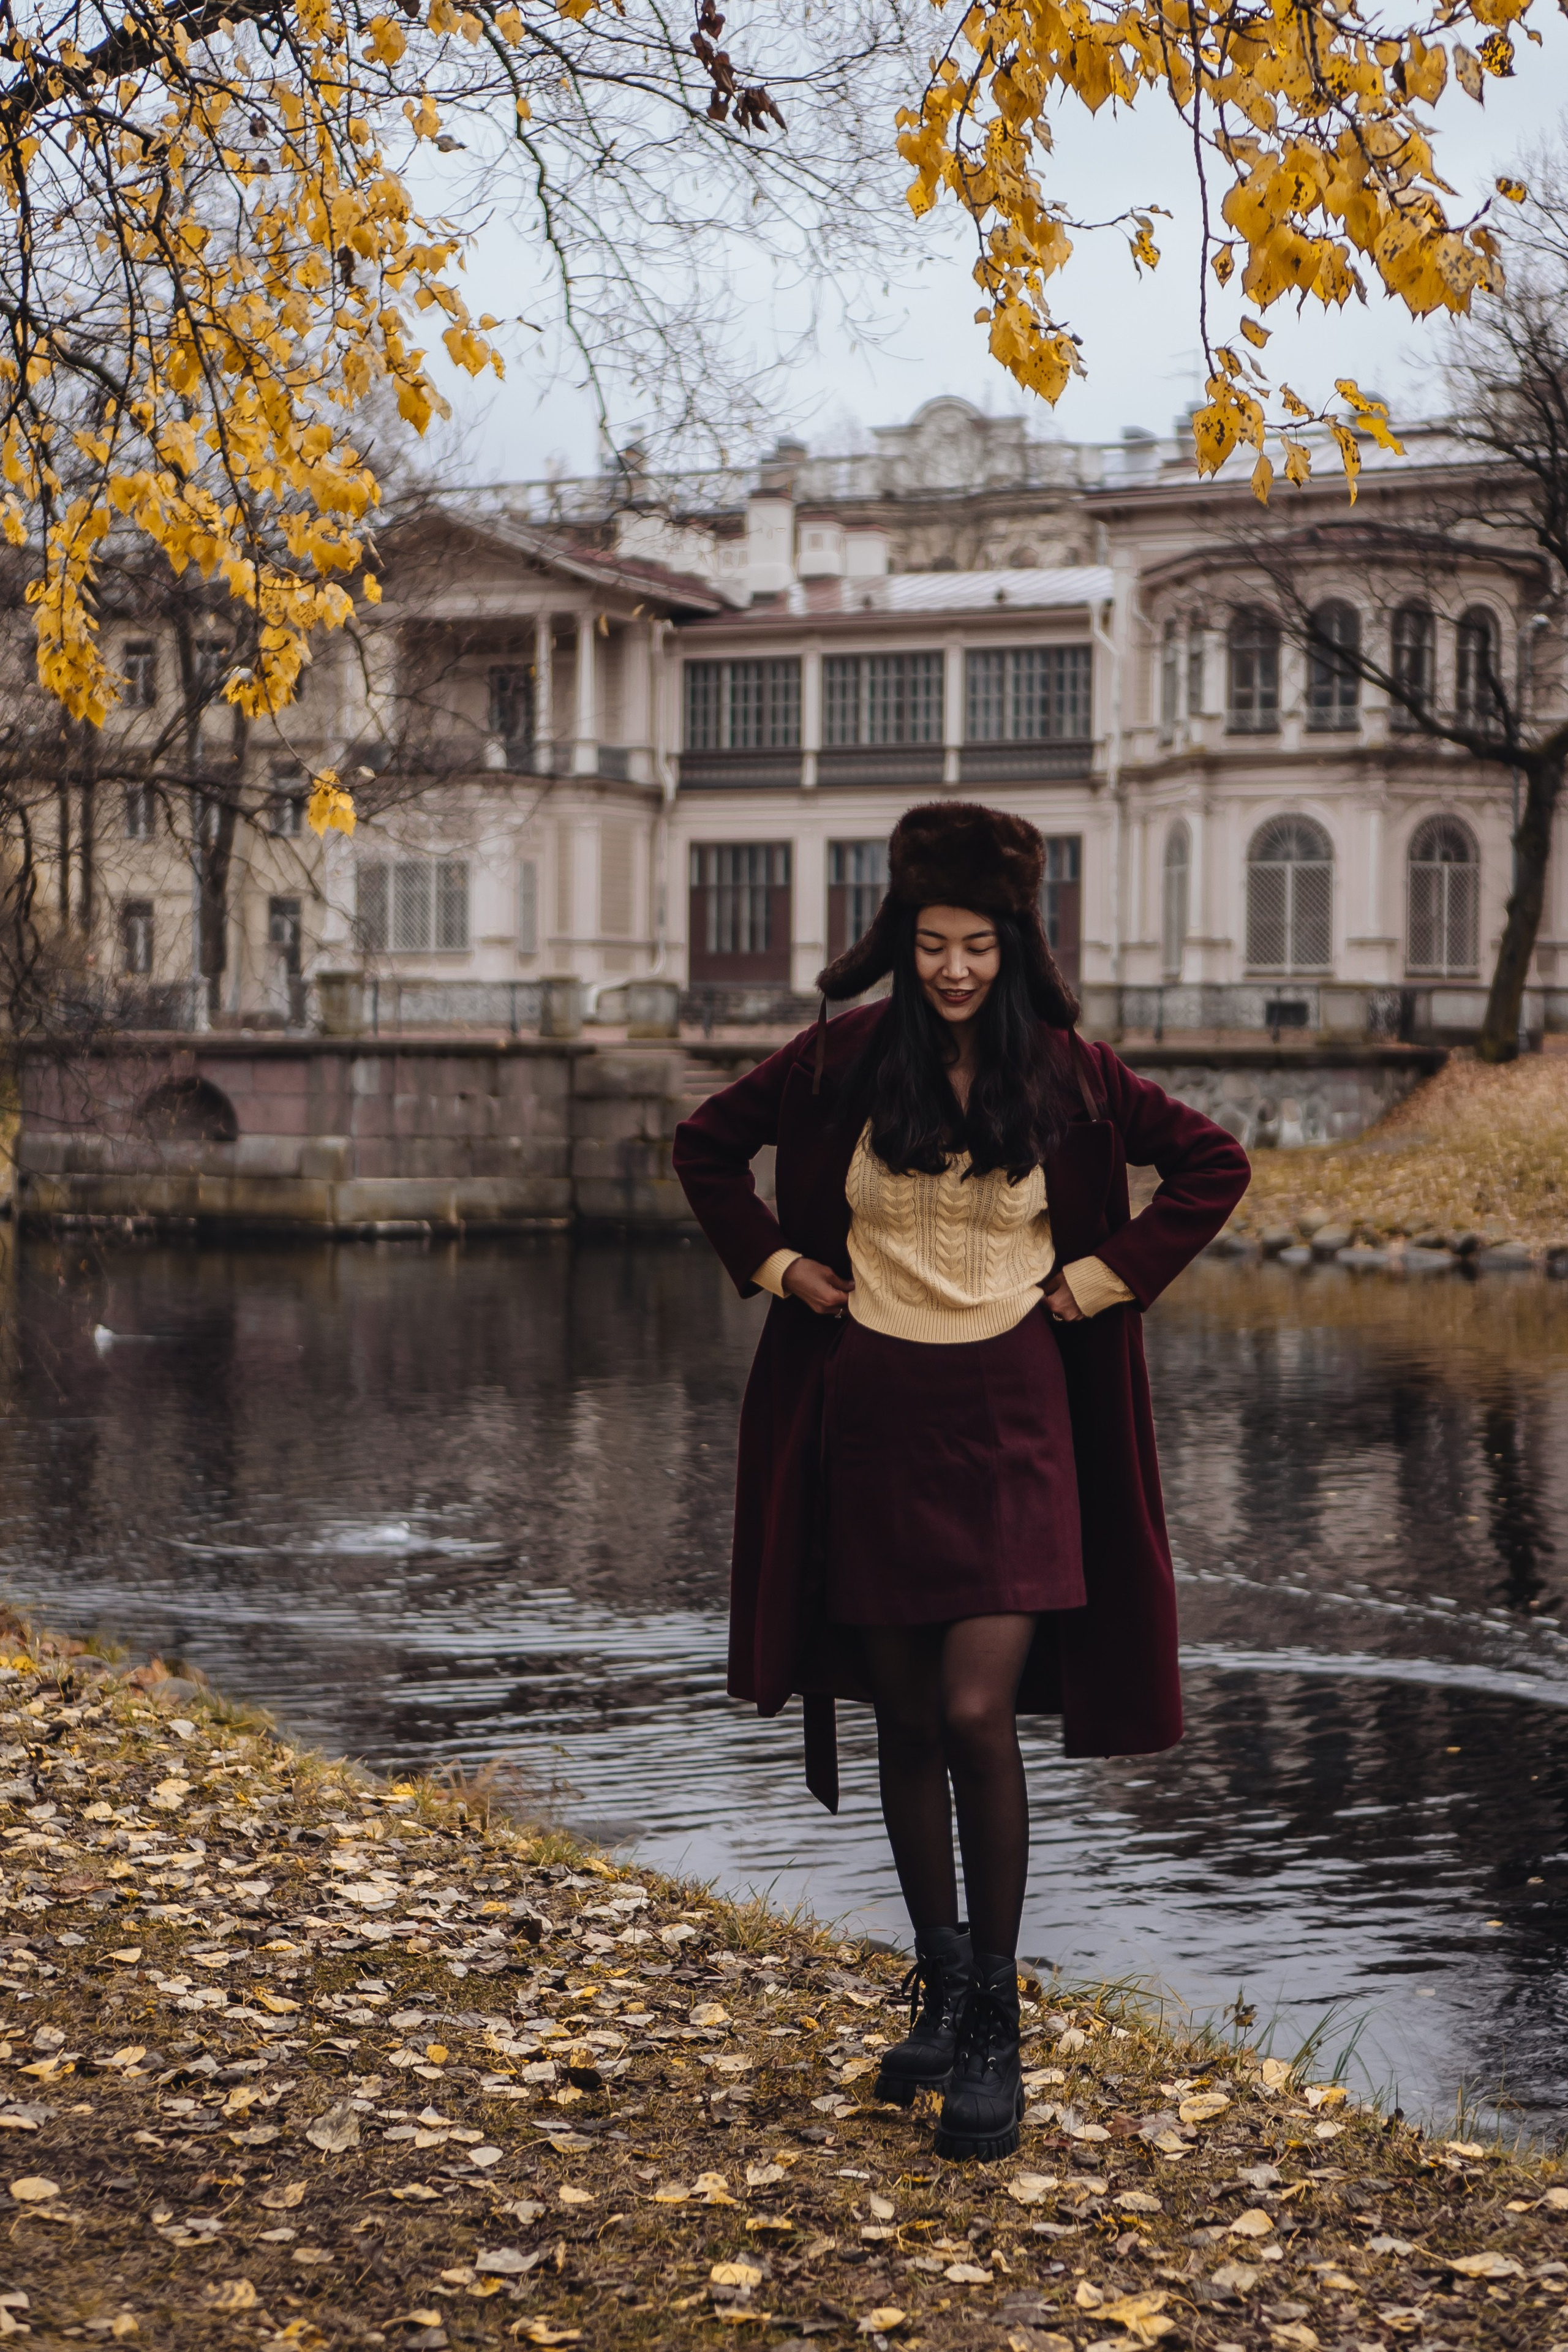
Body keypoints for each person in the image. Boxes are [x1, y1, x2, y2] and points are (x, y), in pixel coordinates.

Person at [673, 802, 1249, 2163]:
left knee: (979, 1711)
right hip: (869, 1410)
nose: (949, 969)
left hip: (1012, 1416)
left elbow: (1212, 1164)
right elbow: (704, 1146)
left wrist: (1096, 1281)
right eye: (929, 944)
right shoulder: (836, 1062)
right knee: (908, 1720)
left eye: (974, 945)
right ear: (898, 942)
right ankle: (935, 1980)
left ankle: (993, 2016)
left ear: (1011, 946)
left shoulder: (1069, 1072)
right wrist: (777, 1266)